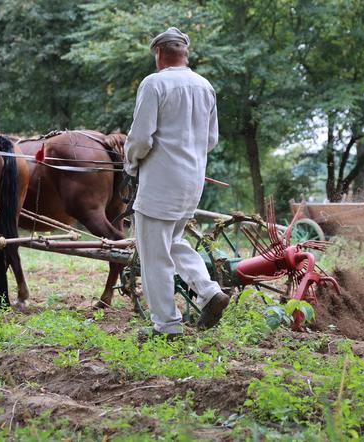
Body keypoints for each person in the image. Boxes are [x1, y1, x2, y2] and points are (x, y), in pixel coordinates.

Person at [124, 27, 229, 340]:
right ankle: (209, 291)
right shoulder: (205, 86)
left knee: (153, 254)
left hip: (160, 183)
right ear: (185, 54)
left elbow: (141, 137)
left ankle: (166, 326)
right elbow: (210, 140)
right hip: (191, 183)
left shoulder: (154, 84)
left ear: (159, 54)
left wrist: (130, 161)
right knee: (172, 241)